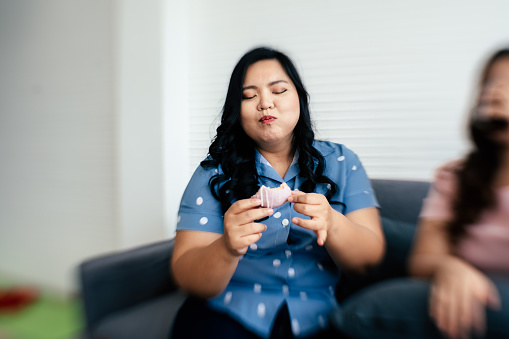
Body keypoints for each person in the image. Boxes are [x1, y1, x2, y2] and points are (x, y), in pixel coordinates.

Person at [170, 47, 384, 339]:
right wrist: (227, 247)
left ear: (299, 98)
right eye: (249, 95)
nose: (265, 103)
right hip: (228, 314)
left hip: (320, 316)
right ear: (237, 109)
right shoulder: (213, 174)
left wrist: (333, 223)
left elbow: (368, 260)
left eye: (279, 90)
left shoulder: (342, 162)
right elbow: (187, 275)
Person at [409, 48, 509, 339]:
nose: (496, 91)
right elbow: (423, 258)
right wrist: (449, 266)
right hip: (457, 257)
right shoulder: (455, 176)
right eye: (490, 82)